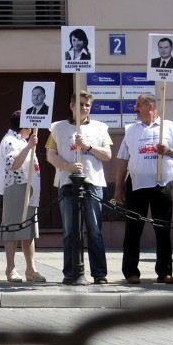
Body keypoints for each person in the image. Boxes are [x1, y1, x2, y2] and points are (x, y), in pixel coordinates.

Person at [114, 93, 173, 284]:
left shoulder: (170, 127)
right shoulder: (131, 130)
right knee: (133, 230)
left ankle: (164, 272)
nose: (135, 109)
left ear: (149, 106)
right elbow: (123, 160)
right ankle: (131, 271)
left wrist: (169, 151)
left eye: (138, 105)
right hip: (136, 185)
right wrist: (118, 188)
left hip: (161, 185)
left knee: (162, 229)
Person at [46, 90, 113, 285]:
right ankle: (70, 272)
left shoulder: (100, 128)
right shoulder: (58, 128)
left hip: (93, 183)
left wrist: (88, 146)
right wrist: (68, 167)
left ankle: (99, 273)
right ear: (72, 106)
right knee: (70, 231)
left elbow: (107, 154)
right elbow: (51, 155)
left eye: (87, 105)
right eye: (81, 104)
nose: (84, 108)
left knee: (94, 231)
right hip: (68, 184)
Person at [0, 111, 45, 283]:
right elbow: (14, 164)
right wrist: (29, 146)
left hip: (30, 188)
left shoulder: (22, 140)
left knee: (29, 231)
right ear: (23, 125)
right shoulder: (10, 140)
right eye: (30, 124)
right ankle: (10, 268)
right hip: (15, 187)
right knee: (12, 228)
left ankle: (30, 269)